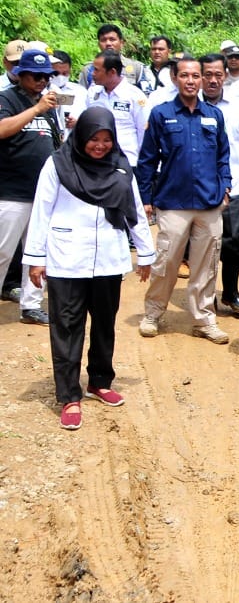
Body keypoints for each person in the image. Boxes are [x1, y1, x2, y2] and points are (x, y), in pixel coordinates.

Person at [24, 107, 155, 430]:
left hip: (108, 258)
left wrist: (147, 253)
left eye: (106, 139)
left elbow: (133, 209)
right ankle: (70, 395)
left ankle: (99, 380)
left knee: (104, 323)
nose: (99, 146)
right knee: (67, 326)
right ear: (80, 136)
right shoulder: (58, 165)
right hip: (67, 258)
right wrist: (36, 258)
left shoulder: (121, 166)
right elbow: (41, 210)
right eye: (93, 139)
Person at [135, 56, 233, 344]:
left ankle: (203, 320)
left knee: (206, 265)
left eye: (195, 76)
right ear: (175, 79)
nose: (191, 81)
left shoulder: (214, 115)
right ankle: (153, 313)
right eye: (185, 76)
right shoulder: (161, 114)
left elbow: (223, 156)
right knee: (166, 261)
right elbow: (148, 159)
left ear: (202, 79)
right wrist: (145, 197)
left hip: (209, 203)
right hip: (173, 202)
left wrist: (225, 187)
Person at [0, 48, 61, 325]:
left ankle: (31, 305)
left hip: (43, 193)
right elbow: (2, 129)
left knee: (36, 252)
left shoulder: (47, 104)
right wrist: (36, 108)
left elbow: (55, 142)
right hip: (11, 190)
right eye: (35, 75)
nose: (41, 80)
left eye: (46, 76)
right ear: (20, 74)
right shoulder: (7, 99)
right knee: (2, 251)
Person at [199, 53, 239, 320]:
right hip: (197, 189)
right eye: (207, 74)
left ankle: (231, 292)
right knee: (204, 244)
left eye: (217, 75)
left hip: (232, 188)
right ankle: (204, 298)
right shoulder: (187, 106)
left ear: (225, 76)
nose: (212, 80)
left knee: (234, 243)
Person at [85, 50, 149, 166]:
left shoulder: (135, 96)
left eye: (96, 70)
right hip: (96, 162)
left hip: (126, 162)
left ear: (112, 72)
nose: (92, 74)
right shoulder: (92, 93)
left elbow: (143, 132)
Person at [78, 24, 144, 89]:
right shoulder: (89, 70)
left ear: (121, 43)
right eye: (103, 40)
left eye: (112, 39)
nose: (108, 43)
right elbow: (81, 95)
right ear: (99, 44)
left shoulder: (136, 68)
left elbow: (144, 96)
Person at [49, 50, 87, 132]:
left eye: (65, 73)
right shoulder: (41, 90)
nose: (60, 77)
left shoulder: (80, 92)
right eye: (56, 73)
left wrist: (78, 122)